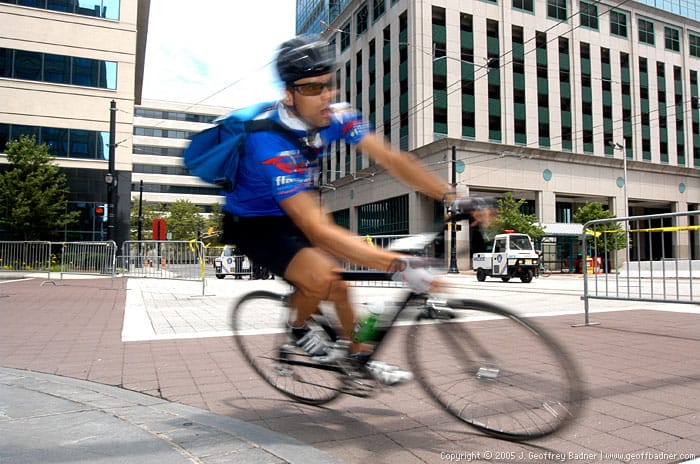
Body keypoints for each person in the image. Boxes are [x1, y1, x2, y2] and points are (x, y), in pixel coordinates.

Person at [222, 35, 494, 385]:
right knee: (322, 275)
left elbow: (392, 158)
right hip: (255, 222)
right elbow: (318, 232)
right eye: (312, 88)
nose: (326, 95)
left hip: (298, 203)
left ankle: (358, 358)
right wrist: (398, 265)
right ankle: (298, 327)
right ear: (289, 95)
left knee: (341, 287)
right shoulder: (268, 140)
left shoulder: (338, 116)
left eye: (329, 84)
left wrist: (451, 196)